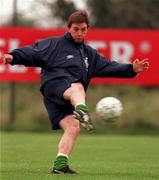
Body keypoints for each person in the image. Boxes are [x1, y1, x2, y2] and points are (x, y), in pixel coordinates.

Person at [2, 10, 149, 174]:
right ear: (69, 28)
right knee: (77, 87)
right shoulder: (55, 44)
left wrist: (132, 69)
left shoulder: (89, 54)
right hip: (54, 84)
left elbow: (109, 66)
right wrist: (13, 57)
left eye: (83, 29)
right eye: (76, 29)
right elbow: (32, 51)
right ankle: (82, 109)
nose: (80, 33)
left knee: (73, 126)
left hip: (64, 98)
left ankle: (60, 165)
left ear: (87, 29)